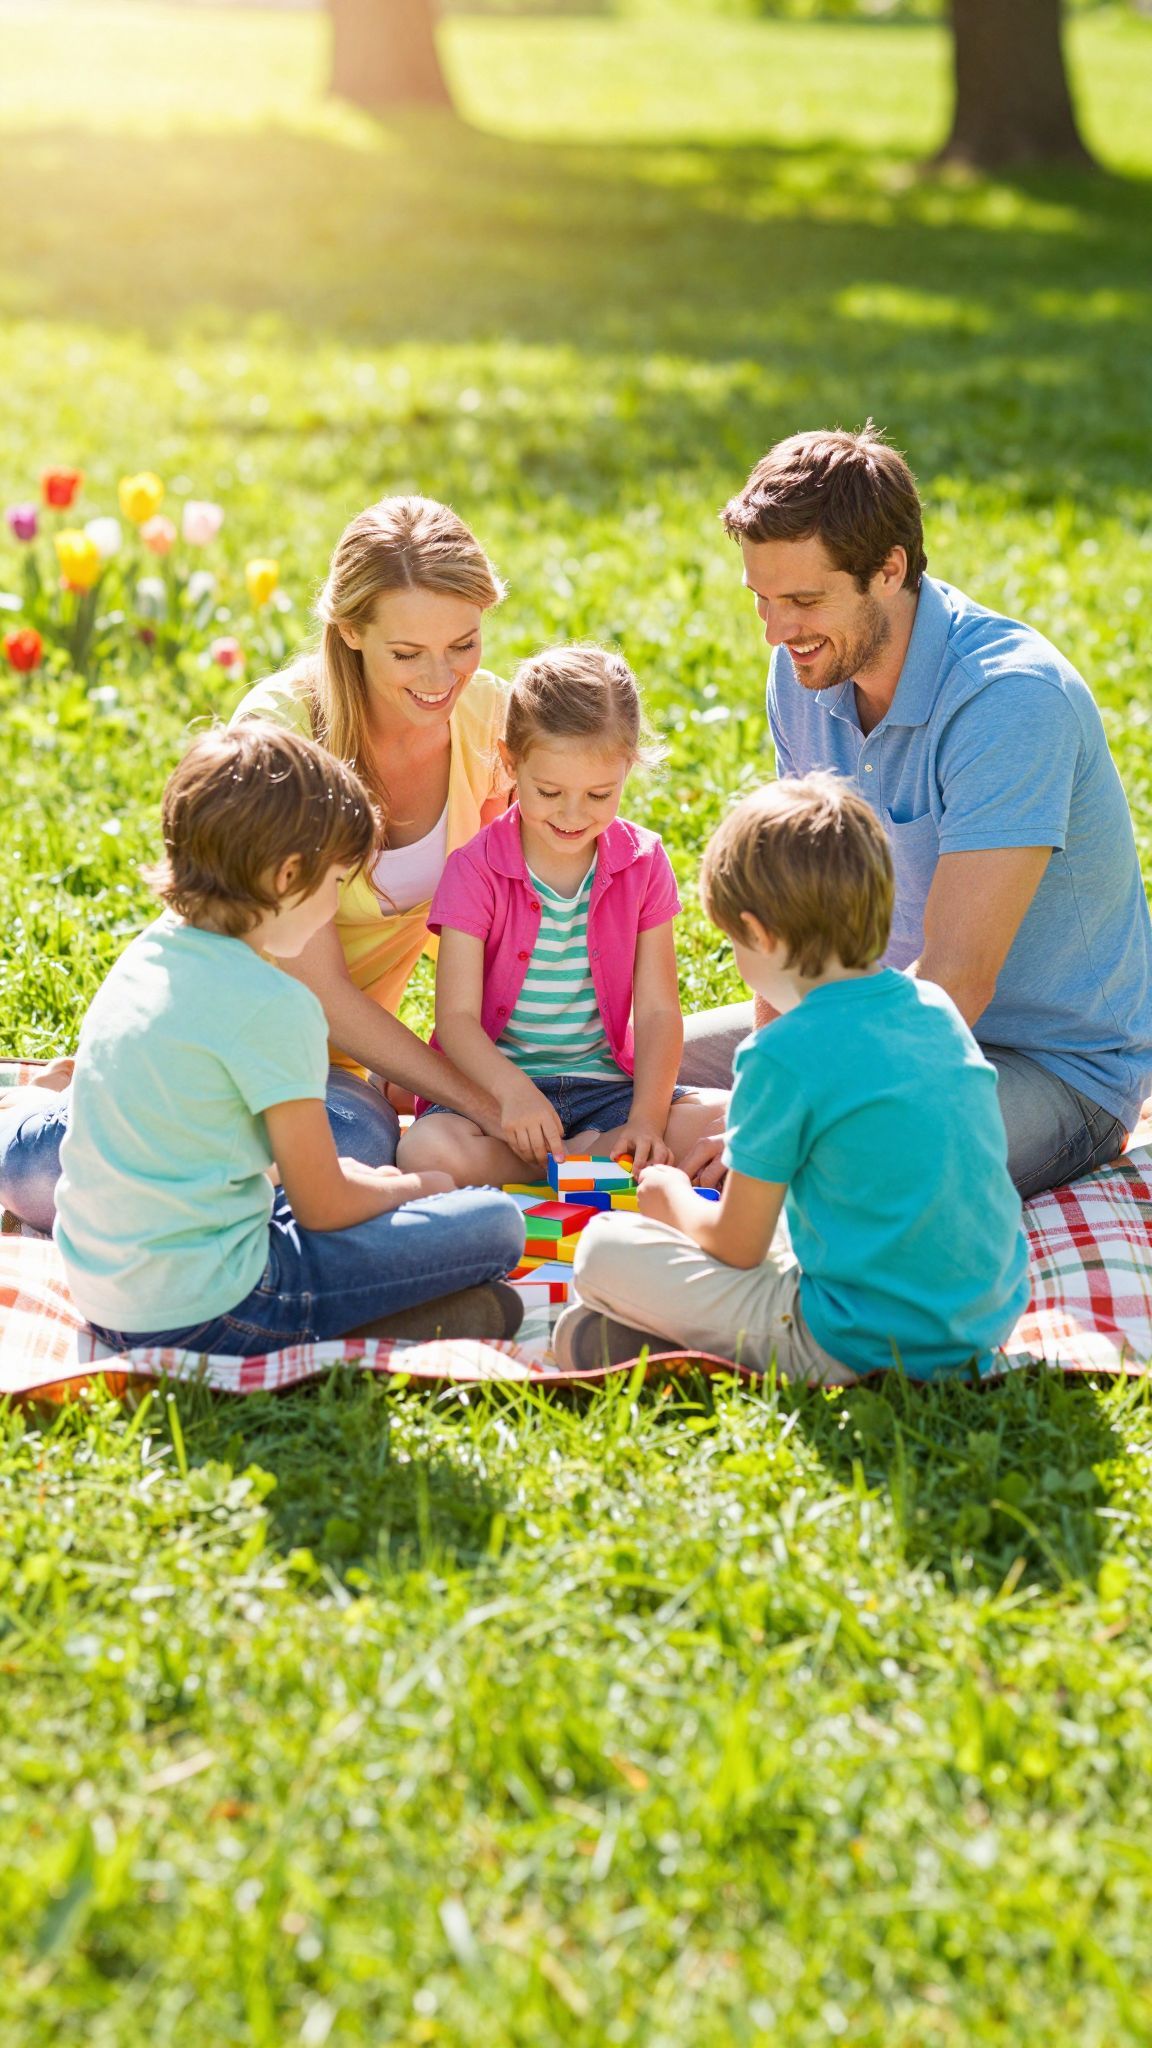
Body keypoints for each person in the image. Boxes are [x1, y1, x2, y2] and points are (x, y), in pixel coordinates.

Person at [0, 494, 513, 1232]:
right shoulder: (281, 741)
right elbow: (321, 988)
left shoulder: (491, 721)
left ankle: (100, 1112)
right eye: (408, 653)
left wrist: (503, 1072)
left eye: (464, 644)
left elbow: (500, 924)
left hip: (325, 1071)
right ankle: (31, 1120)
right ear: (350, 630)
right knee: (62, 1172)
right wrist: (479, 1100)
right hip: (214, 1052)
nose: (441, 676)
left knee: (353, 1148)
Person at [680, 426, 1152, 1201]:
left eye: (802, 601)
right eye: (761, 600)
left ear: (889, 569)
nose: (775, 631)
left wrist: (775, 1124)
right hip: (859, 1005)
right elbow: (793, 915)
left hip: (1049, 1067)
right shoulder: (803, 666)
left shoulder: (1010, 700)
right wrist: (766, 1082)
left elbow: (957, 983)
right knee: (626, 1067)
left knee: (843, 1162)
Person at [50, 724, 526, 1357]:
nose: (333, 908)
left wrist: (350, 1182)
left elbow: (209, 1149)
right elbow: (323, 1207)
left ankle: (411, 1314)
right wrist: (415, 1188)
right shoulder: (275, 1004)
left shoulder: (146, 958)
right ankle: (357, 1323)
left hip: (105, 1294)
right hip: (219, 1306)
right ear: (287, 876)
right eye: (334, 884)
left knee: (361, 1188)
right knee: (495, 1223)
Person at [555, 775, 1029, 1380]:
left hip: (857, 1339)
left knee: (602, 1249)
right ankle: (658, 1335)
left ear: (758, 934)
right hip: (982, 1321)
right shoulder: (934, 1006)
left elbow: (737, 1246)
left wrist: (668, 1197)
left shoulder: (780, 1054)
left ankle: (696, 1340)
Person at [396, 645, 726, 1187]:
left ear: (628, 767)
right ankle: (585, 1163)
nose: (573, 815)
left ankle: (569, 1162)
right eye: (549, 792)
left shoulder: (643, 862)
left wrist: (646, 1121)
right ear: (510, 764)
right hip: (499, 1097)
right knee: (427, 1151)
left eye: (599, 794)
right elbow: (455, 1020)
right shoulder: (474, 869)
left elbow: (658, 1011)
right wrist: (513, 1093)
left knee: (729, 1122)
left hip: (607, 1093)